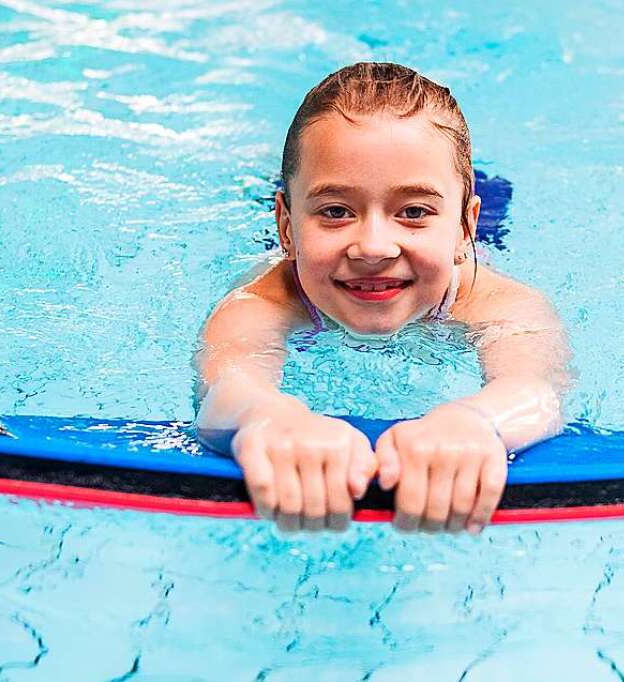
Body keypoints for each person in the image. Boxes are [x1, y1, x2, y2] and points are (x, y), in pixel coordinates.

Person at [194, 62, 570, 535]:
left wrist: (474, 421)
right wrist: (269, 416)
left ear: (464, 227)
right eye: (335, 211)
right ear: (286, 228)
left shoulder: (499, 304)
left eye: (414, 211)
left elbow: (535, 389)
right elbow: (226, 381)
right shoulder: (263, 300)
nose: (373, 247)